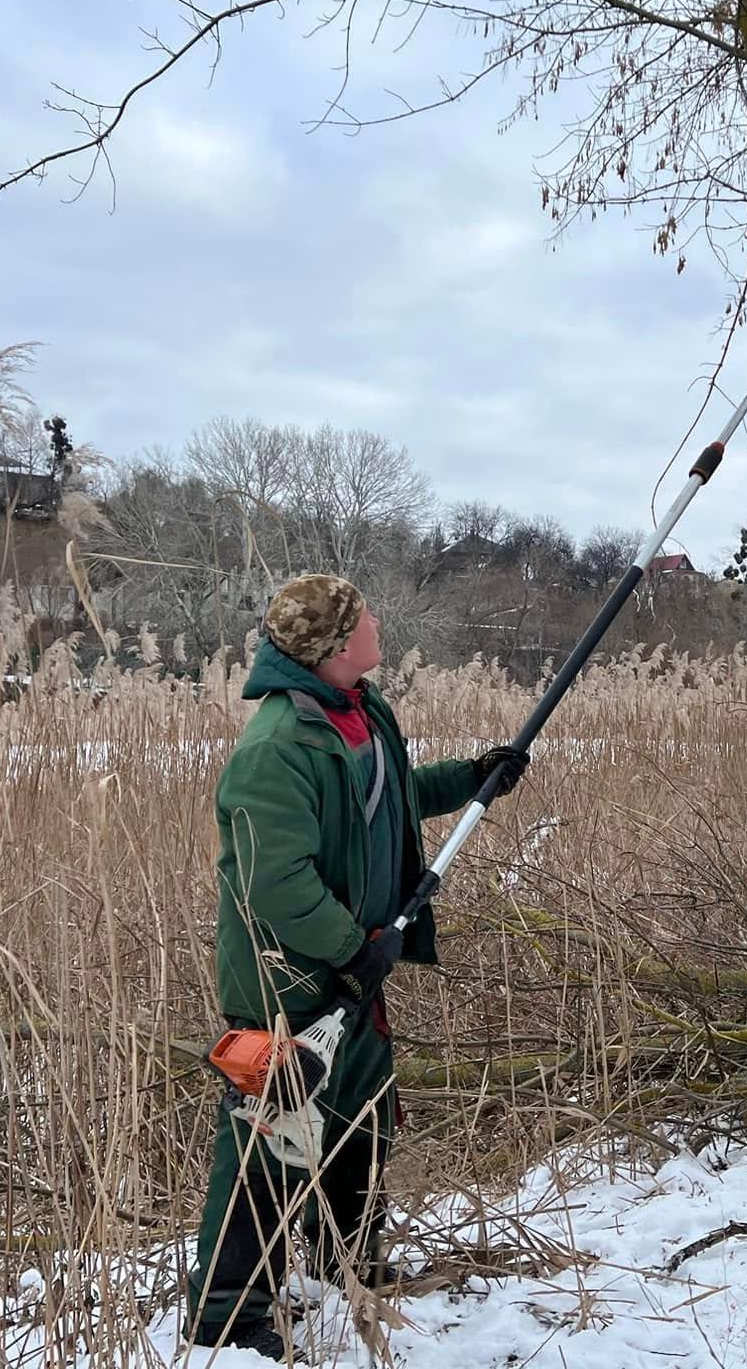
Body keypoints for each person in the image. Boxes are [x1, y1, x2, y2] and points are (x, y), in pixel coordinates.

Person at [184, 573, 528, 1355]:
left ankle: (348, 1263)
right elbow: (276, 882)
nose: (378, 622)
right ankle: (225, 1315)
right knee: (268, 1145)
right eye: (366, 616)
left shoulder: (359, 709)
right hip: (291, 982)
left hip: (357, 967)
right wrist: (354, 946)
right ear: (338, 644)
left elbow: (388, 796)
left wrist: (474, 778)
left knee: (362, 1119)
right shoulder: (275, 748)